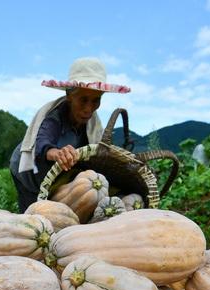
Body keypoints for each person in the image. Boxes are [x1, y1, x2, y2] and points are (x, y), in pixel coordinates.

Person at [9, 57, 130, 212]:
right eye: (83, 100)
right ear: (69, 95)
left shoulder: (93, 125)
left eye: (96, 100)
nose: (88, 108)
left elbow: (98, 154)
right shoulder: (55, 116)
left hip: (56, 174)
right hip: (28, 170)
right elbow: (43, 143)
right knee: (33, 211)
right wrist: (58, 153)